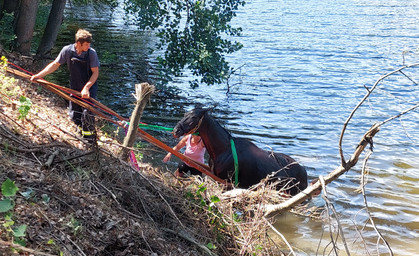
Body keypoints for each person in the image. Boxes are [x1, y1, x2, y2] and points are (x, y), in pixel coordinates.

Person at [31, 28, 100, 142]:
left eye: (89, 44)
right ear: (78, 43)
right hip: (75, 86)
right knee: (75, 114)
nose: (88, 46)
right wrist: (39, 75)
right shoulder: (67, 50)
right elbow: (54, 65)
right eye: (86, 44)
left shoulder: (91, 53)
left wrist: (86, 88)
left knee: (87, 113)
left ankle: (90, 141)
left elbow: (95, 73)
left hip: (89, 88)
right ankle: (79, 135)